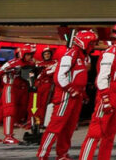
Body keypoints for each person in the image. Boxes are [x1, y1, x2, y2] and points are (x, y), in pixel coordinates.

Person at [80, 20, 116, 160]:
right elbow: (102, 78)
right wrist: (105, 99)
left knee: (110, 134)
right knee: (95, 134)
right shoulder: (110, 53)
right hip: (108, 97)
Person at [36, 30, 96, 160]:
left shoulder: (83, 56)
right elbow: (59, 76)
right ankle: (42, 155)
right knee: (55, 127)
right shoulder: (71, 54)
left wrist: (82, 93)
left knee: (69, 128)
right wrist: (70, 89)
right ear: (84, 42)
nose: (93, 46)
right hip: (65, 96)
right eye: (91, 43)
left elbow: (79, 77)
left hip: (76, 96)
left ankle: (62, 154)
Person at [0, 43, 35, 144]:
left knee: (0, 113)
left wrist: (32, 82)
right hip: (9, 88)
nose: (30, 56)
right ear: (22, 54)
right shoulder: (12, 63)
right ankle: (8, 136)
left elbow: (31, 75)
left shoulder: (31, 64)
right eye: (28, 54)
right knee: (10, 111)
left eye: (31, 54)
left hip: (20, 90)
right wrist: (8, 69)